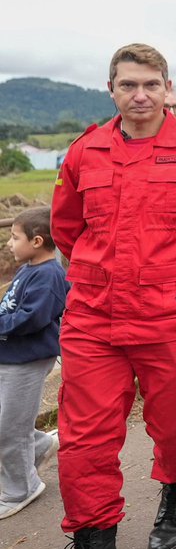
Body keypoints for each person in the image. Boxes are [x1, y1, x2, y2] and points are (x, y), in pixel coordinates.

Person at [51, 43, 176, 549]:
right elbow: (66, 230)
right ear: (111, 90)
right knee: (82, 444)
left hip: (172, 318)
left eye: (151, 84)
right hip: (93, 321)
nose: (141, 95)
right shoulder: (84, 153)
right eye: (128, 85)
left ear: (167, 87)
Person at [0, 206, 67, 520]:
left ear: (37, 241)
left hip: (27, 361)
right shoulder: (30, 268)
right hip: (11, 357)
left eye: (15, 237)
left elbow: (32, 318)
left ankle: (22, 489)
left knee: (8, 429)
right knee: (10, 422)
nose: (9, 244)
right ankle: (40, 448)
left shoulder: (49, 275)